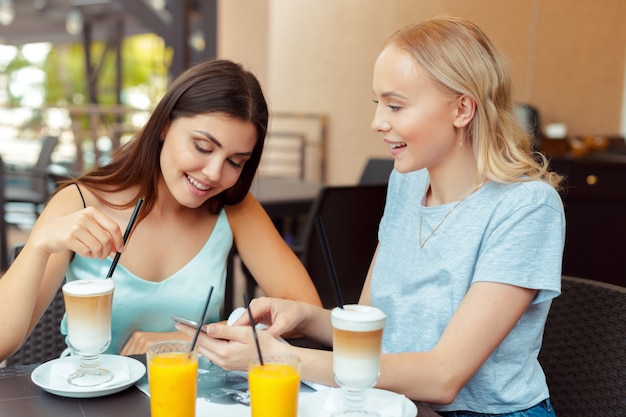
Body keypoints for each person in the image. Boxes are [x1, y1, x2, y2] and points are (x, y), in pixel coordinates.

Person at [178, 16, 564, 416]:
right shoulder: (408, 186)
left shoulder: (526, 209)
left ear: (462, 109)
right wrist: (305, 319)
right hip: (395, 404)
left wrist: (277, 358)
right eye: (378, 103)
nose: (378, 122)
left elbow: (442, 377)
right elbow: (372, 334)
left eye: (395, 105)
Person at [0, 59, 322, 361]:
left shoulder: (232, 208)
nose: (213, 172)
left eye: (235, 162)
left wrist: (187, 340)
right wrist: (39, 246)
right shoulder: (81, 202)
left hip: (193, 394)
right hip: (94, 397)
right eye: (202, 147)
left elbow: (306, 314)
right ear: (165, 125)